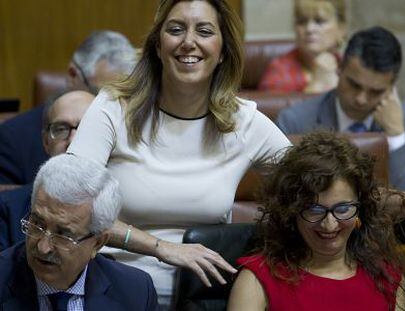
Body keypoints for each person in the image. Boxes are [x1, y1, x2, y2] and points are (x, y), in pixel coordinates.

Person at [67, 0, 291, 308]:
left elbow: (312, 184)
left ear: (223, 50)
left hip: (207, 297)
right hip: (113, 290)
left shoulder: (244, 122)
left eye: (204, 31)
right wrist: (162, 248)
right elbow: (69, 203)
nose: (189, 42)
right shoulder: (113, 107)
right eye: (175, 30)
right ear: (158, 46)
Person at [228, 132, 405, 311]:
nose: (329, 224)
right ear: (292, 211)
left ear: (359, 210)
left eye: (342, 209)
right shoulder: (257, 279)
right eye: (314, 210)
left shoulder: (388, 277)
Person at [0, 154, 159, 310]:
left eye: (63, 235)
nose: (43, 247)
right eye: (37, 224)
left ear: (97, 243)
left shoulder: (135, 293)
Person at [276, 26, 405, 192]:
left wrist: (396, 137)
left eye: (375, 91)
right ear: (339, 69)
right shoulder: (294, 122)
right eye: (354, 85)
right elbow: (280, 198)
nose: (361, 99)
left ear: (391, 87)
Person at [0, 30, 137, 185]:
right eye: (102, 95)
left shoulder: (136, 130)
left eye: (124, 96)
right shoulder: (13, 139)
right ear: (73, 76)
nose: (113, 107)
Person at [0, 90, 95, 251]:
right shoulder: (8, 210)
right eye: (61, 129)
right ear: (46, 142)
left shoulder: (134, 205)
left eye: (85, 128)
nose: (72, 140)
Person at [259, 0, 346, 94]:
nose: (309, 29)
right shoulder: (279, 72)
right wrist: (317, 84)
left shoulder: (347, 66)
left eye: (319, 21)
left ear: (341, 28)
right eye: (302, 22)